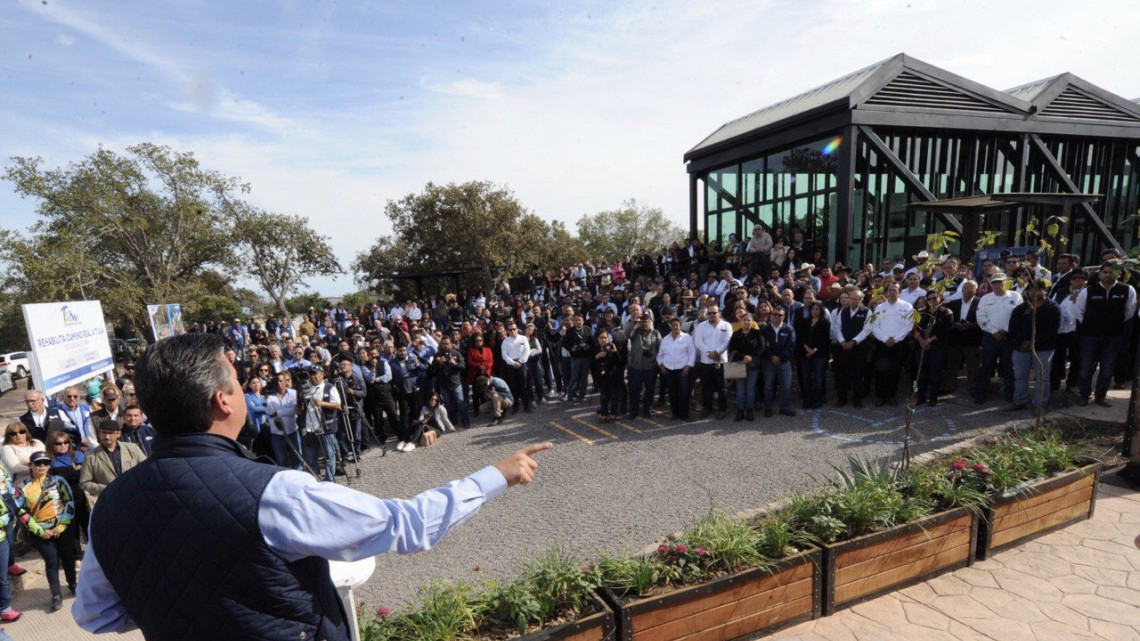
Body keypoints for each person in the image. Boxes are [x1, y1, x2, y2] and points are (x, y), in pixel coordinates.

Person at [73, 332, 552, 641]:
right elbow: (408, 526)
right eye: (239, 384)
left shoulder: (110, 505)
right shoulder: (272, 492)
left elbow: (95, 616)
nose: (244, 393)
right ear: (223, 401)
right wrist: (496, 475)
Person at [17, 451, 77, 611]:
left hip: (62, 527)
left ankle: (72, 583)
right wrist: (40, 531)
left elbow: (69, 503)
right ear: (31, 465)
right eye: (38, 463)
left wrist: (61, 526)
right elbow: (22, 512)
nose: (42, 466)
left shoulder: (58, 481)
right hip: (41, 531)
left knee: (68, 557)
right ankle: (56, 595)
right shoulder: (23, 487)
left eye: (45, 462)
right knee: (51, 562)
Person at [1073, 262, 1138, 407]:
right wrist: (1093, 326)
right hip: (1090, 336)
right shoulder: (1088, 290)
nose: (1108, 275)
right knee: (1085, 368)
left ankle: (1100, 396)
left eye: (1111, 272)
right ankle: (1084, 396)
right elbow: (1078, 312)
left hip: (1113, 337)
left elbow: (1129, 312)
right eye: (1105, 272)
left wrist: (1113, 325)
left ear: (1119, 274)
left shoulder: (1127, 290)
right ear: (1099, 273)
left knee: (1107, 369)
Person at [1007, 279, 1061, 411]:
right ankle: (1019, 401)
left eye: (1038, 289)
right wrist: (1022, 343)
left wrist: (1033, 343)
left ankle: (1040, 404)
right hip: (1021, 348)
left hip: (1043, 349)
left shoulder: (1053, 308)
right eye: (1031, 290)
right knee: (1020, 376)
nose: (1034, 293)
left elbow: (1051, 330)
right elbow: (1013, 328)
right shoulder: (1021, 308)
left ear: (1046, 291)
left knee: (1042, 378)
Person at [974, 273, 1023, 404]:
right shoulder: (985, 298)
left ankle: (1010, 396)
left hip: (1009, 337)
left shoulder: (1016, 296)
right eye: (994, 282)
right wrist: (994, 331)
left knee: (1009, 367)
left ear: (1006, 282)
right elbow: (981, 317)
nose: (997, 285)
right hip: (990, 337)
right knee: (986, 366)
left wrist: (1005, 330)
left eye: (1000, 282)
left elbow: (1019, 316)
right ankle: (980, 395)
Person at [78, 420, 147, 508]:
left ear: (118, 434)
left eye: (110, 433)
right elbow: (84, 483)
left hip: (135, 497)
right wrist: (106, 489)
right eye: (103, 433)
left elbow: (146, 470)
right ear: (99, 434)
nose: (106, 436)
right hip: (110, 502)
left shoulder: (133, 448)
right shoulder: (90, 456)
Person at [869, 283, 914, 407]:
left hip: (898, 344)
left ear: (899, 292)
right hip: (882, 344)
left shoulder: (907, 306)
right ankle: (881, 396)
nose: (892, 292)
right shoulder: (879, 307)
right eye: (890, 290)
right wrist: (885, 339)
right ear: (886, 292)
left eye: (895, 290)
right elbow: (874, 326)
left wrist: (896, 339)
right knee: (880, 370)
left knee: (895, 371)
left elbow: (908, 326)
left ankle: (892, 395)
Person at [832, 287, 872, 408]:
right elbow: (837, 328)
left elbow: (867, 330)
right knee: (841, 373)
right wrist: (842, 341)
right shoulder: (843, 311)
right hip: (843, 347)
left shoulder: (867, 311)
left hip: (859, 348)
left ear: (861, 299)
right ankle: (842, 398)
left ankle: (857, 399)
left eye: (857, 299)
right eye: (852, 299)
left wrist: (854, 341)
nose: (854, 301)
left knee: (858, 374)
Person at [913, 291, 953, 407]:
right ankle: (921, 397)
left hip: (937, 347)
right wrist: (921, 340)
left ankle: (933, 398)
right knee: (921, 373)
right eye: (929, 299)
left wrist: (929, 340)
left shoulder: (946, 312)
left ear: (940, 298)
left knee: (935, 373)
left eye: (934, 298)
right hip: (921, 346)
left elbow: (945, 331)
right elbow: (917, 329)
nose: (932, 301)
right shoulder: (922, 313)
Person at [693, 306, 732, 419]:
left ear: (719, 313)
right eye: (709, 313)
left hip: (721, 361)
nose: (711, 315)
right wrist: (710, 353)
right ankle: (707, 408)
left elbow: (727, 341)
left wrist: (717, 352)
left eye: (713, 313)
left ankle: (722, 409)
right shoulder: (701, 326)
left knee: (722, 387)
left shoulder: (726, 325)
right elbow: (698, 341)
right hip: (706, 361)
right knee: (706, 387)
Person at [1051, 269, 1087, 394]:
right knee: (1057, 357)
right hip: (1061, 330)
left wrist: (1078, 300)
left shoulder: (1088, 292)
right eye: (1074, 278)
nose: (1077, 280)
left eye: (1081, 278)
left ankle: (1072, 384)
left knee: (1076, 358)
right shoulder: (1061, 292)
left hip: (1078, 331)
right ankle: (1054, 383)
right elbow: (1053, 306)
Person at [944, 280, 982, 394]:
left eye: (971, 288)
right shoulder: (953, 303)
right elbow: (948, 321)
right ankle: (949, 386)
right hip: (956, 338)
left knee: (972, 365)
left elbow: (983, 319)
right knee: (952, 363)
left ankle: (973, 388)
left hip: (972, 338)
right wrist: (955, 324)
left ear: (976, 290)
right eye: (966, 287)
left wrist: (973, 324)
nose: (968, 290)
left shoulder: (981, 303)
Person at [624, 311, 661, 420]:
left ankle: (647, 409)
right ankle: (633, 411)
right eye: (643, 321)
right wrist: (634, 323)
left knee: (649, 389)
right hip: (635, 366)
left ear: (650, 322)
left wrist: (660, 364)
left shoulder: (655, 333)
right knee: (634, 389)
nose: (645, 323)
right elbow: (626, 335)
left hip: (651, 367)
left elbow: (661, 348)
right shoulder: (635, 331)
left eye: (647, 321)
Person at [657, 317, 696, 420]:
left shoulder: (687, 337)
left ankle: (685, 414)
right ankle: (675, 413)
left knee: (684, 392)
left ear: (680, 326)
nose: (675, 327)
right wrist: (661, 366)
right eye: (673, 325)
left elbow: (692, 353)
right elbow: (660, 354)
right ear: (670, 326)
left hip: (683, 369)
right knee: (672, 392)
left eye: (677, 325)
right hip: (669, 370)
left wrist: (688, 366)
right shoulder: (665, 339)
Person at [728, 313, 765, 421]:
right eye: (744, 320)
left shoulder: (757, 333)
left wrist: (750, 357)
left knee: (750, 389)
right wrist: (743, 357)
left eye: (749, 320)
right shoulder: (736, 334)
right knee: (740, 390)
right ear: (741, 321)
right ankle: (740, 411)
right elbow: (731, 350)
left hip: (753, 365)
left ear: (752, 322)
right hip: (739, 364)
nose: (746, 322)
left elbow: (761, 349)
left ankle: (749, 410)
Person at [796, 301, 831, 410]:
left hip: (819, 354)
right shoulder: (805, 321)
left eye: (817, 309)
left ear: (821, 311)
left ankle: (817, 400)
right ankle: (807, 399)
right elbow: (801, 337)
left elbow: (825, 339)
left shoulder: (824, 322)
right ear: (810, 310)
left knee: (818, 378)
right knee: (806, 377)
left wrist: (814, 350)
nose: (815, 311)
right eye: (813, 309)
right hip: (805, 353)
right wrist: (807, 349)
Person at [265, 370, 302, 470]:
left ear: (286, 381)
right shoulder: (270, 397)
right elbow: (272, 414)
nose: (279, 383)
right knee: (282, 461)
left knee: (297, 459)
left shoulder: (294, 393)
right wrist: (288, 411)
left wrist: (279, 412)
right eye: (277, 381)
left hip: (292, 431)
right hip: (277, 434)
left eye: (281, 381)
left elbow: (297, 410)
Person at [592, 330, 627, 423]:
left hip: (613, 376)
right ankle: (604, 413)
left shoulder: (612, 347)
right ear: (598, 339)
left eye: (605, 338)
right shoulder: (595, 348)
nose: (603, 340)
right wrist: (597, 356)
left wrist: (615, 352)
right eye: (601, 338)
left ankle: (613, 414)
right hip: (601, 377)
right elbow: (591, 364)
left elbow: (622, 362)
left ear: (609, 338)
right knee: (604, 396)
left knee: (614, 396)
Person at [0, 494, 18, 622]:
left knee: (2, 579)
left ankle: (6, 609)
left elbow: (6, 511)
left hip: (1, 541)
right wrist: (3, 520)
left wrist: (6, 517)